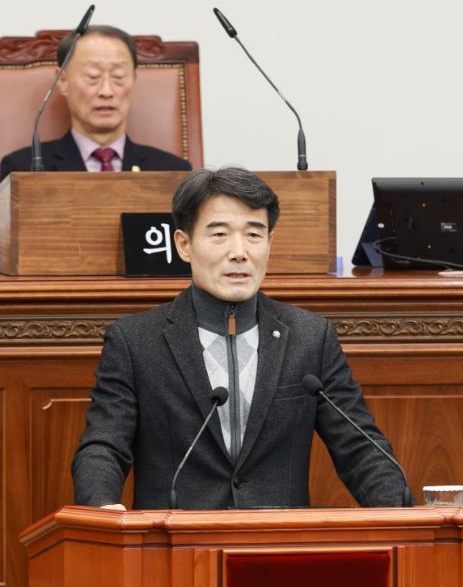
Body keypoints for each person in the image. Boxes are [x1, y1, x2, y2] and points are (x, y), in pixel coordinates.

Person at [72, 166, 411, 511]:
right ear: (184, 245)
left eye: (253, 234)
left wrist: (399, 512)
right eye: (220, 234)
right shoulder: (135, 341)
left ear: (269, 243)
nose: (239, 252)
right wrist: (101, 506)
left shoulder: (311, 337)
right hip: (174, 539)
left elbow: (360, 447)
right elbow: (103, 445)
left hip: (277, 539)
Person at [0, 26, 191, 180]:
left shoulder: (174, 172)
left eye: (118, 76)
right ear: (63, 81)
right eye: (92, 76)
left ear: (133, 79)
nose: (106, 91)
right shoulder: (22, 170)